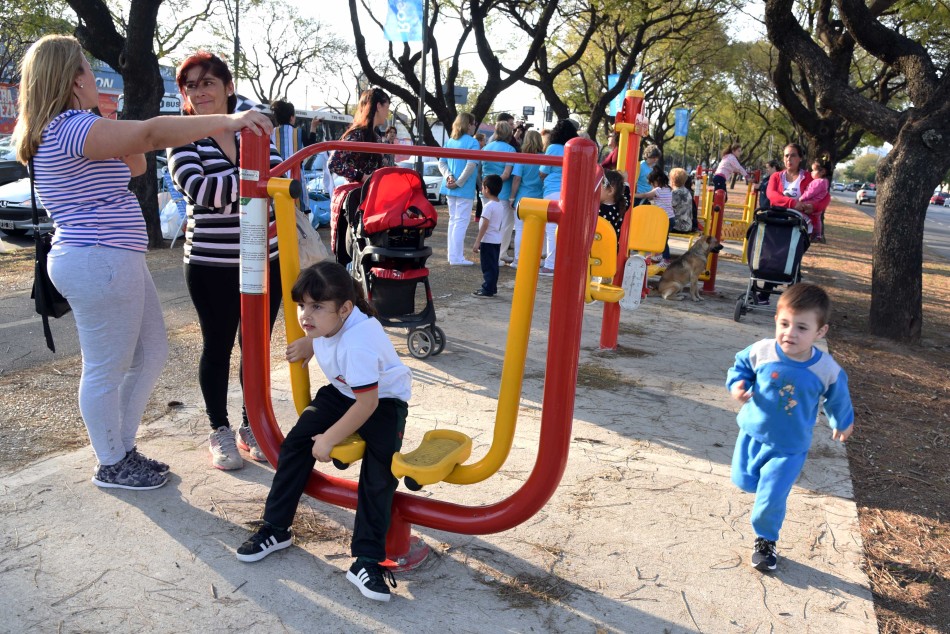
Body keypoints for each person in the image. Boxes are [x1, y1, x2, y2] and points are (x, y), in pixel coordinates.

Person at [13, 35, 272, 489]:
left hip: (112, 257)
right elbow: (151, 136)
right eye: (89, 71)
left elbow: (134, 164)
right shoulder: (68, 127)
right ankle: (111, 461)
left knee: (150, 353)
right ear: (74, 78)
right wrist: (228, 119)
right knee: (105, 368)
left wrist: (107, 121)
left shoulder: (75, 126)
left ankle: (121, 448)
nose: (97, 79)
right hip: (98, 258)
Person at [236, 261, 411, 603]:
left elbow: (367, 404)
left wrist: (330, 438)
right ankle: (276, 527)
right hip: (344, 392)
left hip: (382, 401)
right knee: (295, 445)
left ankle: (366, 560)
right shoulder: (332, 324)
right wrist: (309, 342)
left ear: (345, 307)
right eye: (302, 305)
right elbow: (332, 334)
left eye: (316, 307)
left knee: (379, 472)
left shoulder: (360, 342)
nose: (306, 315)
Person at [168, 51, 284, 471]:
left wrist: (253, 179)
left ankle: (253, 424)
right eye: (191, 85)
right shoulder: (181, 136)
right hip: (210, 263)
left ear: (228, 87)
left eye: (208, 83)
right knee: (217, 346)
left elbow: (281, 182)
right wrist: (254, 178)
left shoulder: (253, 132)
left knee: (255, 347)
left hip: (264, 258)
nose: (199, 92)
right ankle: (219, 428)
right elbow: (202, 192)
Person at [726, 283, 854, 571]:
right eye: (784, 324)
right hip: (751, 435)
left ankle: (765, 541)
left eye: (801, 327)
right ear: (776, 321)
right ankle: (764, 498)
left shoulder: (826, 369)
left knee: (771, 496)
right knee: (745, 481)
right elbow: (740, 368)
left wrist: (843, 422)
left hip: (790, 446)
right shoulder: (762, 350)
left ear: (820, 332)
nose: (790, 333)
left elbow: (838, 397)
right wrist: (738, 385)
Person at [438, 112, 480, 266]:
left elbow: (441, 162)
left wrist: (449, 176)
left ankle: (453, 256)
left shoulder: (450, 141)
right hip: (463, 188)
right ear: (468, 124)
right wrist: (459, 182)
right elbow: (471, 165)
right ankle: (457, 257)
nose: (474, 126)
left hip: (449, 186)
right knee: (461, 222)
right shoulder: (473, 143)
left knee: (453, 221)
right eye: (473, 123)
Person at [538, 119, 578, 276]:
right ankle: (560, 262)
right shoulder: (574, 147)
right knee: (564, 230)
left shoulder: (553, 148)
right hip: (569, 192)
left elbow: (543, 171)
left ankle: (550, 264)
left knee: (551, 229)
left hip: (552, 190)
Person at [328, 88, 391, 184]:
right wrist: (362, 177)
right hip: (358, 195)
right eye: (387, 108)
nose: (387, 114)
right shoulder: (357, 134)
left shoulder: (377, 138)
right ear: (378, 106)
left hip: (372, 194)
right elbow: (334, 162)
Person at [480, 120, 518, 265]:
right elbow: (507, 174)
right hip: (503, 192)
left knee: (487, 224)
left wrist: (487, 183)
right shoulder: (510, 150)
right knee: (505, 225)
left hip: (486, 191)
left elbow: (480, 169)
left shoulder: (486, 148)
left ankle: (487, 252)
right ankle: (500, 254)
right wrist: (496, 181)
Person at [509, 129, 544, 269]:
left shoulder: (522, 157)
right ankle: (534, 258)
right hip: (539, 199)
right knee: (537, 231)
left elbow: (517, 178)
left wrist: (512, 197)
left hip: (522, 198)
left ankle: (518, 259)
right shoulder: (545, 157)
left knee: (520, 230)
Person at [270, 99, 309, 213]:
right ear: (292, 117)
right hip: (296, 177)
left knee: (278, 212)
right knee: (299, 212)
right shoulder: (299, 132)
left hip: (276, 178)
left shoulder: (270, 133)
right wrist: (313, 128)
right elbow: (311, 146)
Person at [472, 174, 504, 298]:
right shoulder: (499, 204)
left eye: (483, 187)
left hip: (488, 240)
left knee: (487, 266)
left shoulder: (489, 206)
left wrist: (477, 241)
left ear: (487, 189)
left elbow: (485, 224)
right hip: (496, 239)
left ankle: (487, 289)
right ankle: (492, 287)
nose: (482, 190)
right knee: (493, 265)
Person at [647, 167, 675, 266]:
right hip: (671, 218)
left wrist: (634, 194)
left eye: (652, 183)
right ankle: (661, 255)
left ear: (657, 181)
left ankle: (666, 259)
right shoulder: (668, 188)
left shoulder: (658, 190)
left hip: (664, 219)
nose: (651, 185)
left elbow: (647, 195)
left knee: (662, 239)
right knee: (663, 238)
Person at [799, 159, 831, 242]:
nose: (811, 173)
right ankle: (817, 234)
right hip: (816, 204)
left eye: (813, 171)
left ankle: (811, 231)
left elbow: (810, 192)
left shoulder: (818, 182)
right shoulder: (824, 182)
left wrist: (802, 198)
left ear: (822, 172)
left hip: (811, 202)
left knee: (800, 212)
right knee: (817, 220)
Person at [598, 169, 628, 241]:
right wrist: (625, 182)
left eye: (598, 185)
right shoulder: (621, 205)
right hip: (612, 248)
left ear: (610, 191)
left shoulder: (597, 208)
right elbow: (627, 196)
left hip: (598, 248)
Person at [669, 167, 693, 233]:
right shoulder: (687, 191)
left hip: (678, 226)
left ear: (672, 180)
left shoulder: (675, 193)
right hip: (687, 225)